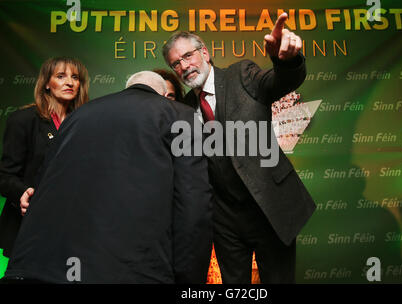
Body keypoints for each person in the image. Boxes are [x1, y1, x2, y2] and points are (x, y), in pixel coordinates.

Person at [3, 71, 213, 283]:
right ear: (162, 94)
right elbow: (193, 198)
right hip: (134, 268)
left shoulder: (78, 115)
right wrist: (190, 278)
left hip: (52, 266)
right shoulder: (180, 114)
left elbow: (46, 180)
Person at [162, 12, 316, 283]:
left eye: (188, 56)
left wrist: (287, 62)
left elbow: (279, 82)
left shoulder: (241, 74)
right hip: (225, 221)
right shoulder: (182, 109)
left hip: (269, 207)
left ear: (205, 53)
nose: (184, 66)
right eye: (176, 63)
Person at [0, 57, 89, 258]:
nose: (69, 82)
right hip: (31, 225)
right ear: (46, 84)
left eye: (75, 77)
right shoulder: (23, 120)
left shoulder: (86, 122)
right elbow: (5, 176)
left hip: (74, 226)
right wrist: (22, 193)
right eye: (60, 76)